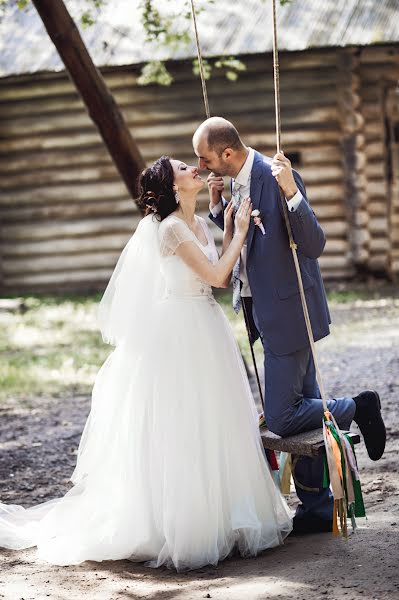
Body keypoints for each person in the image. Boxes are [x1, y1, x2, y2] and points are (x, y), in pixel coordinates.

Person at [0, 156, 292, 571]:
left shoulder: (194, 223)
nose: (194, 168)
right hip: (181, 332)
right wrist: (242, 232)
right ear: (174, 188)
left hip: (205, 328)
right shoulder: (171, 229)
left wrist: (227, 227)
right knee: (184, 424)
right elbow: (218, 277)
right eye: (183, 168)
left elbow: (216, 259)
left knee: (214, 419)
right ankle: (184, 523)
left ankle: (227, 515)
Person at [192, 116, 386, 534]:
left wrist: (294, 194)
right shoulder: (233, 181)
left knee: (282, 417)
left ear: (227, 153)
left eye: (206, 159)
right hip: (261, 310)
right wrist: (216, 208)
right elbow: (246, 237)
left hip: (289, 312)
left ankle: (358, 406)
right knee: (306, 411)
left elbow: (313, 244)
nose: (204, 167)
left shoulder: (277, 175)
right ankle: (316, 506)